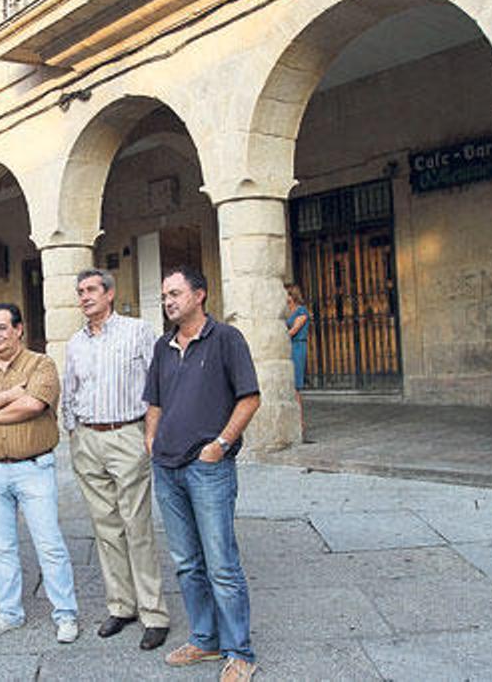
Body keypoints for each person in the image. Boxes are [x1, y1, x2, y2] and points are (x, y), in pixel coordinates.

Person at [143, 266, 259, 680]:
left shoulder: (226, 338)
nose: (168, 301)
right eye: (164, 296)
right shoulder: (163, 346)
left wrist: (221, 445)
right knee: (187, 562)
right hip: (167, 469)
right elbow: (154, 401)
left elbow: (249, 398)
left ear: (199, 295)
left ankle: (240, 652)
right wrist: (151, 440)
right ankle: (205, 640)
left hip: (208, 468)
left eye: (175, 293)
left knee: (221, 564)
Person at [61, 269, 169, 650]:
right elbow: (70, 389)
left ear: (109, 294)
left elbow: (159, 383)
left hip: (127, 434)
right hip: (87, 438)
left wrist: (150, 434)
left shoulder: (138, 331)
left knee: (136, 525)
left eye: (91, 289)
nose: (84, 296)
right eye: (80, 291)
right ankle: (121, 606)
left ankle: (154, 613)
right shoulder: (75, 342)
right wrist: (73, 431)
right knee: (105, 528)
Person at [0, 303, 79, 644]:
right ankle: (9, 613)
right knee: (0, 547)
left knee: (49, 544)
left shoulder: (41, 364)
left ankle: (65, 614)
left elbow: (32, 405)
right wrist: (11, 394)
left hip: (33, 468)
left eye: (2, 328)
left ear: (18, 329)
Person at [285, 283, 310, 441]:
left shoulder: (302, 311)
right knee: (290, 386)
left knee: (295, 387)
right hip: (288, 347)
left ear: (292, 295)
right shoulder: (289, 311)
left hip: (297, 348)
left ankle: (300, 424)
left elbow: (293, 331)